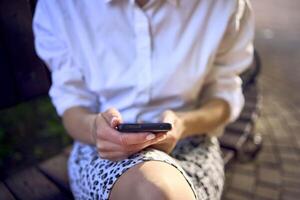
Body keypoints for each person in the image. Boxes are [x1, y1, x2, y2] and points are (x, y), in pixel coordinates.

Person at [33, 0, 254, 199]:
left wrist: (184, 124)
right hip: (100, 150)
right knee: (153, 191)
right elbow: (72, 106)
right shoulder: (60, 6)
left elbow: (223, 98)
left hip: (191, 143)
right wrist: (95, 130)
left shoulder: (223, 5)